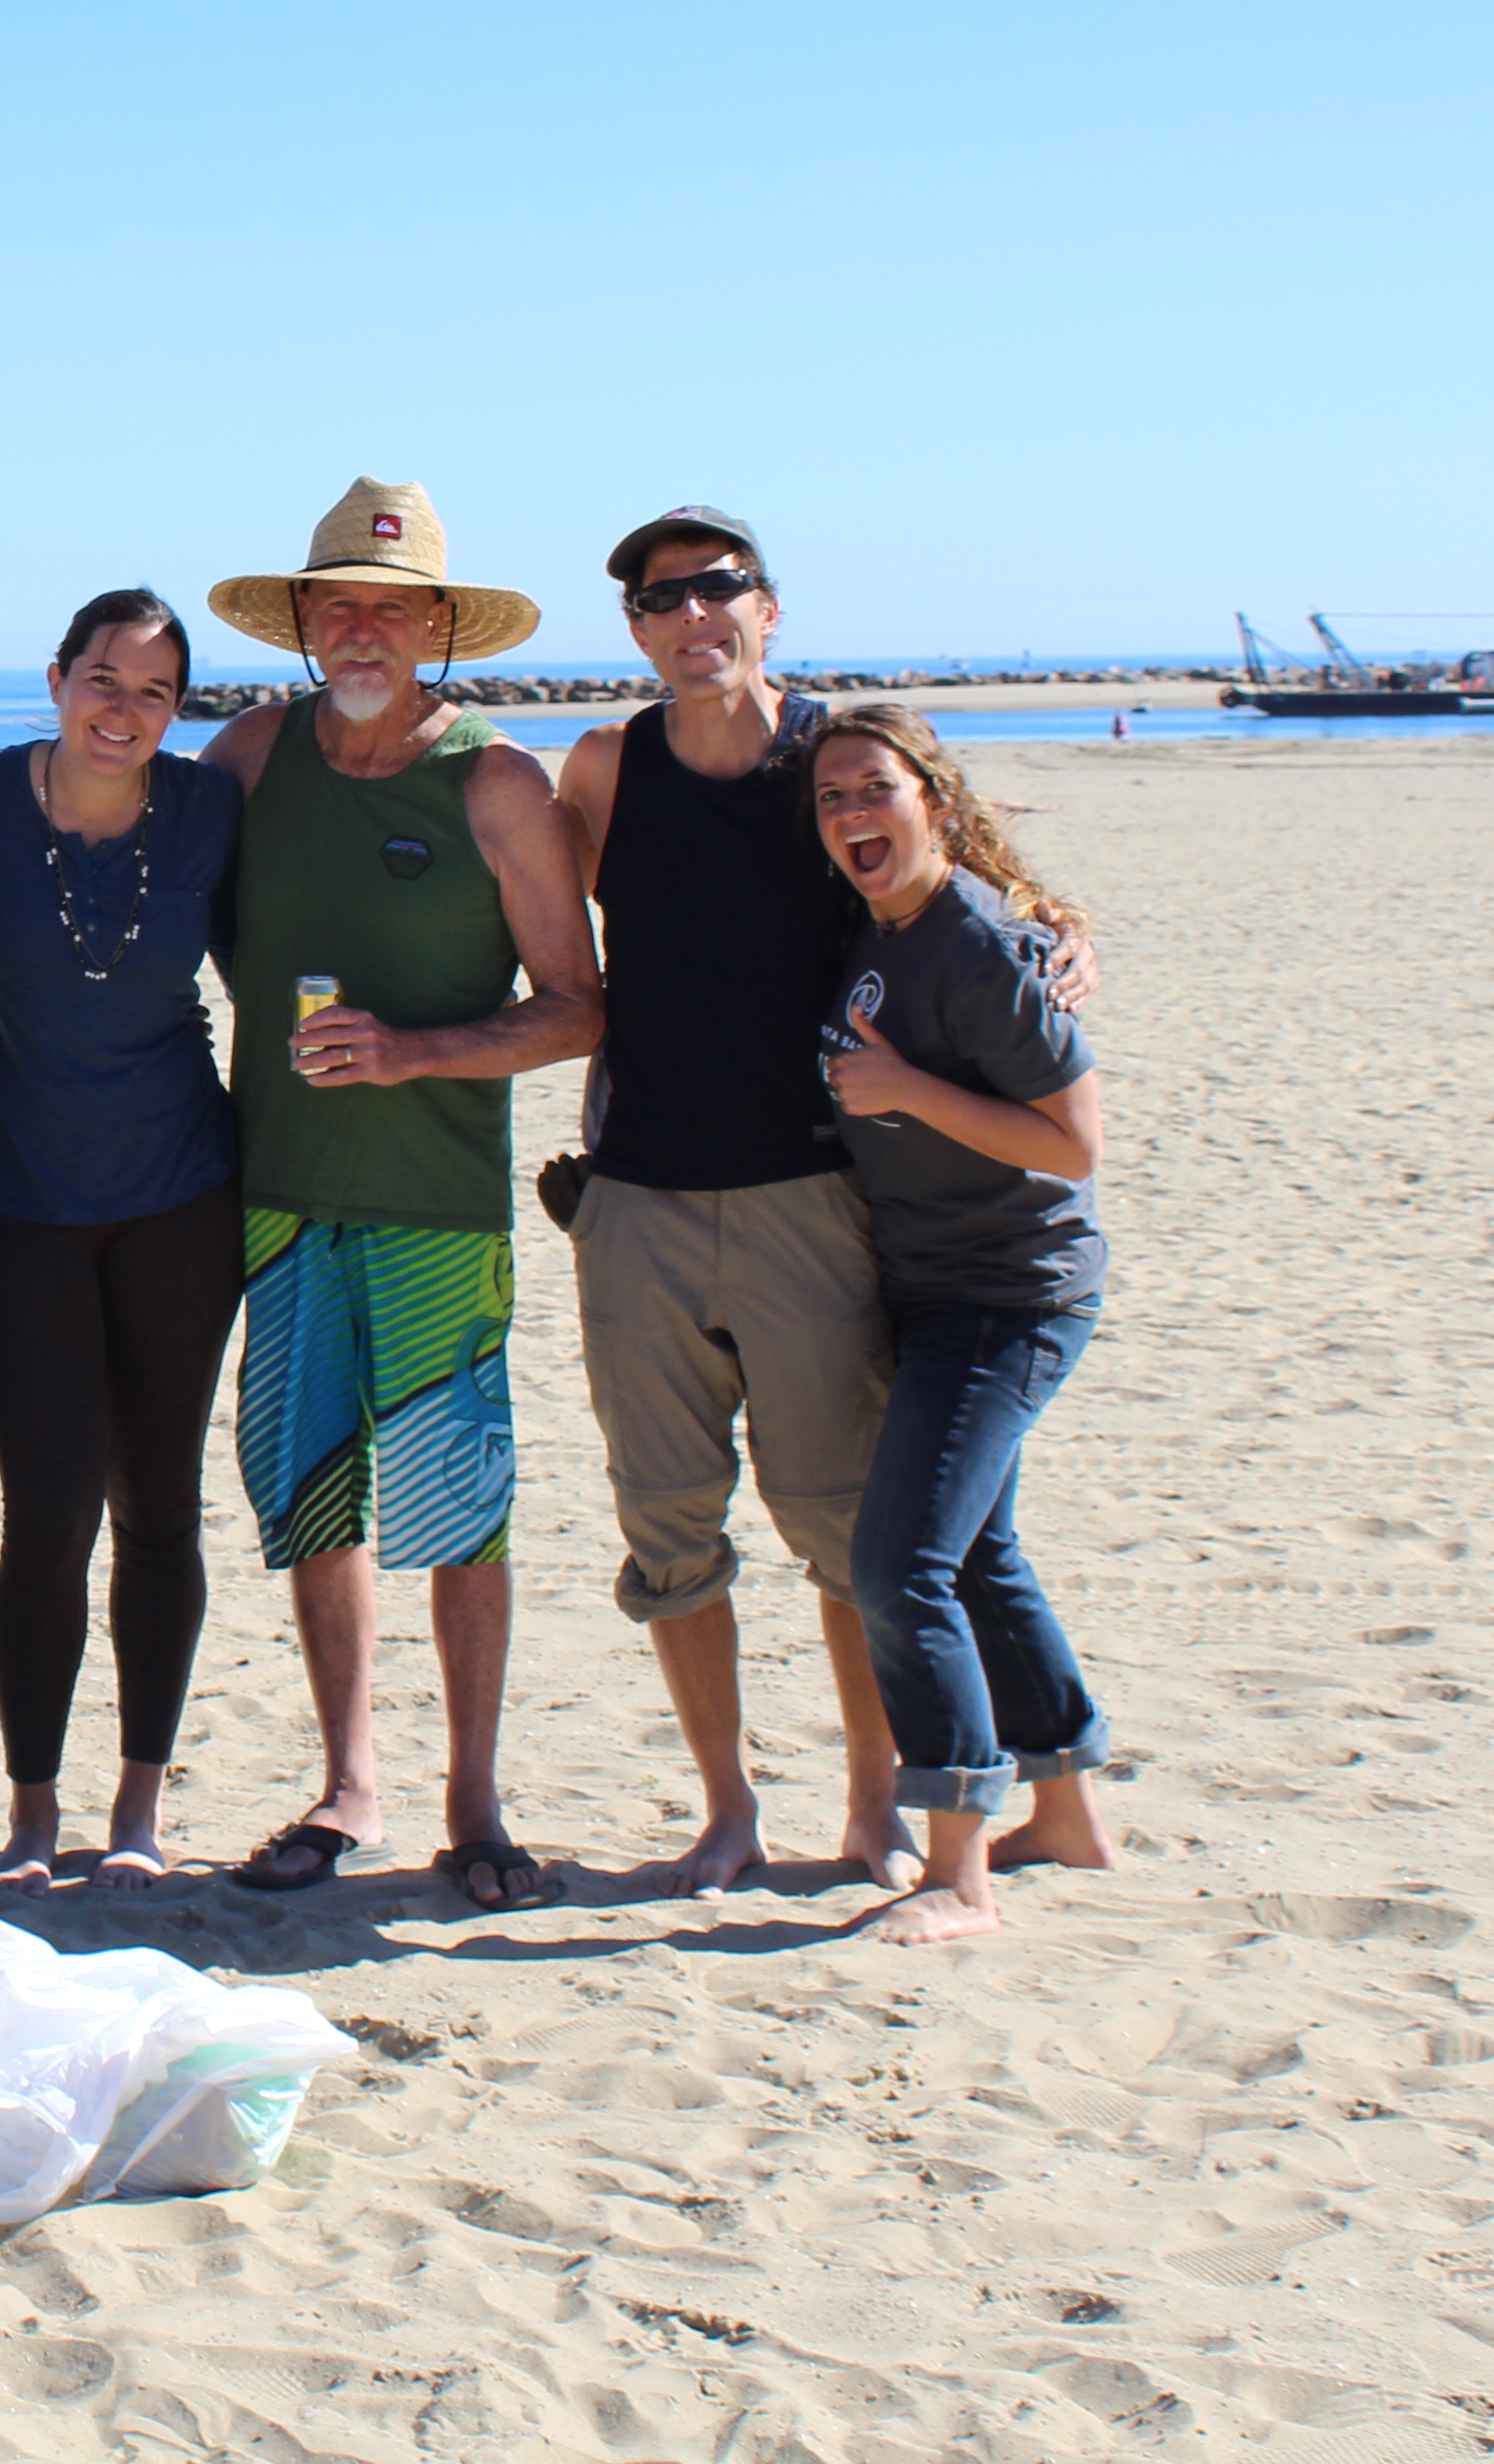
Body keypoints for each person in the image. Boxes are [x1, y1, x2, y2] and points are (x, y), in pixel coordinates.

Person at [555, 507, 1087, 1900]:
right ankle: (726, 1811)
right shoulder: (607, 767)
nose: (693, 616)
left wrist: (1059, 933)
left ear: (768, 608)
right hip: (639, 1203)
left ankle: (871, 1806)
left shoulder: (828, 766)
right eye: (663, 600)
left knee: (846, 1534)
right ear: (635, 630)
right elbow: (523, 918)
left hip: (814, 1199)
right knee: (669, 1532)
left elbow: (950, 863)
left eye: (718, 589)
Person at [199, 484, 599, 1914]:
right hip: (278, 1197)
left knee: (454, 1507)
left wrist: (419, 1051)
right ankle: (348, 1781)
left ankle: (474, 1797)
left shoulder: (496, 784)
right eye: (338, 605)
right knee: (312, 1496)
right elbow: (129, 875)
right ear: (305, 624)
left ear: (438, 627)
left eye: (392, 606)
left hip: (440, 1205)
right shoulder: (249, 756)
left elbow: (576, 1008)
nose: (364, 628)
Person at [0, 592, 243, 1888]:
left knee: (160, 1505)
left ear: (179, 712)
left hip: (183, 1195)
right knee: (49, 1513)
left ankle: (138, 1815)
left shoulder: (211, 811)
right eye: (104, 682)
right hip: (18, 1209)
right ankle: (31, 1814)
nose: (124, 711)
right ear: (58, 679)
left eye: (156, 693)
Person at [807, 705, 1118, 1944]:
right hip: (934, 1285)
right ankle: (1074, 1816)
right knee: (981, 1555)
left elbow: (1071, 1144)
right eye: (829, 799)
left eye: (873, 790)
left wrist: (903, 1091)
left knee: (901, 1568)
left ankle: (959, 1873)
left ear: (932, 799)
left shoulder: (981, 949)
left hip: (1010, 1295)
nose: (849, 817)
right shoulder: (889, 924)